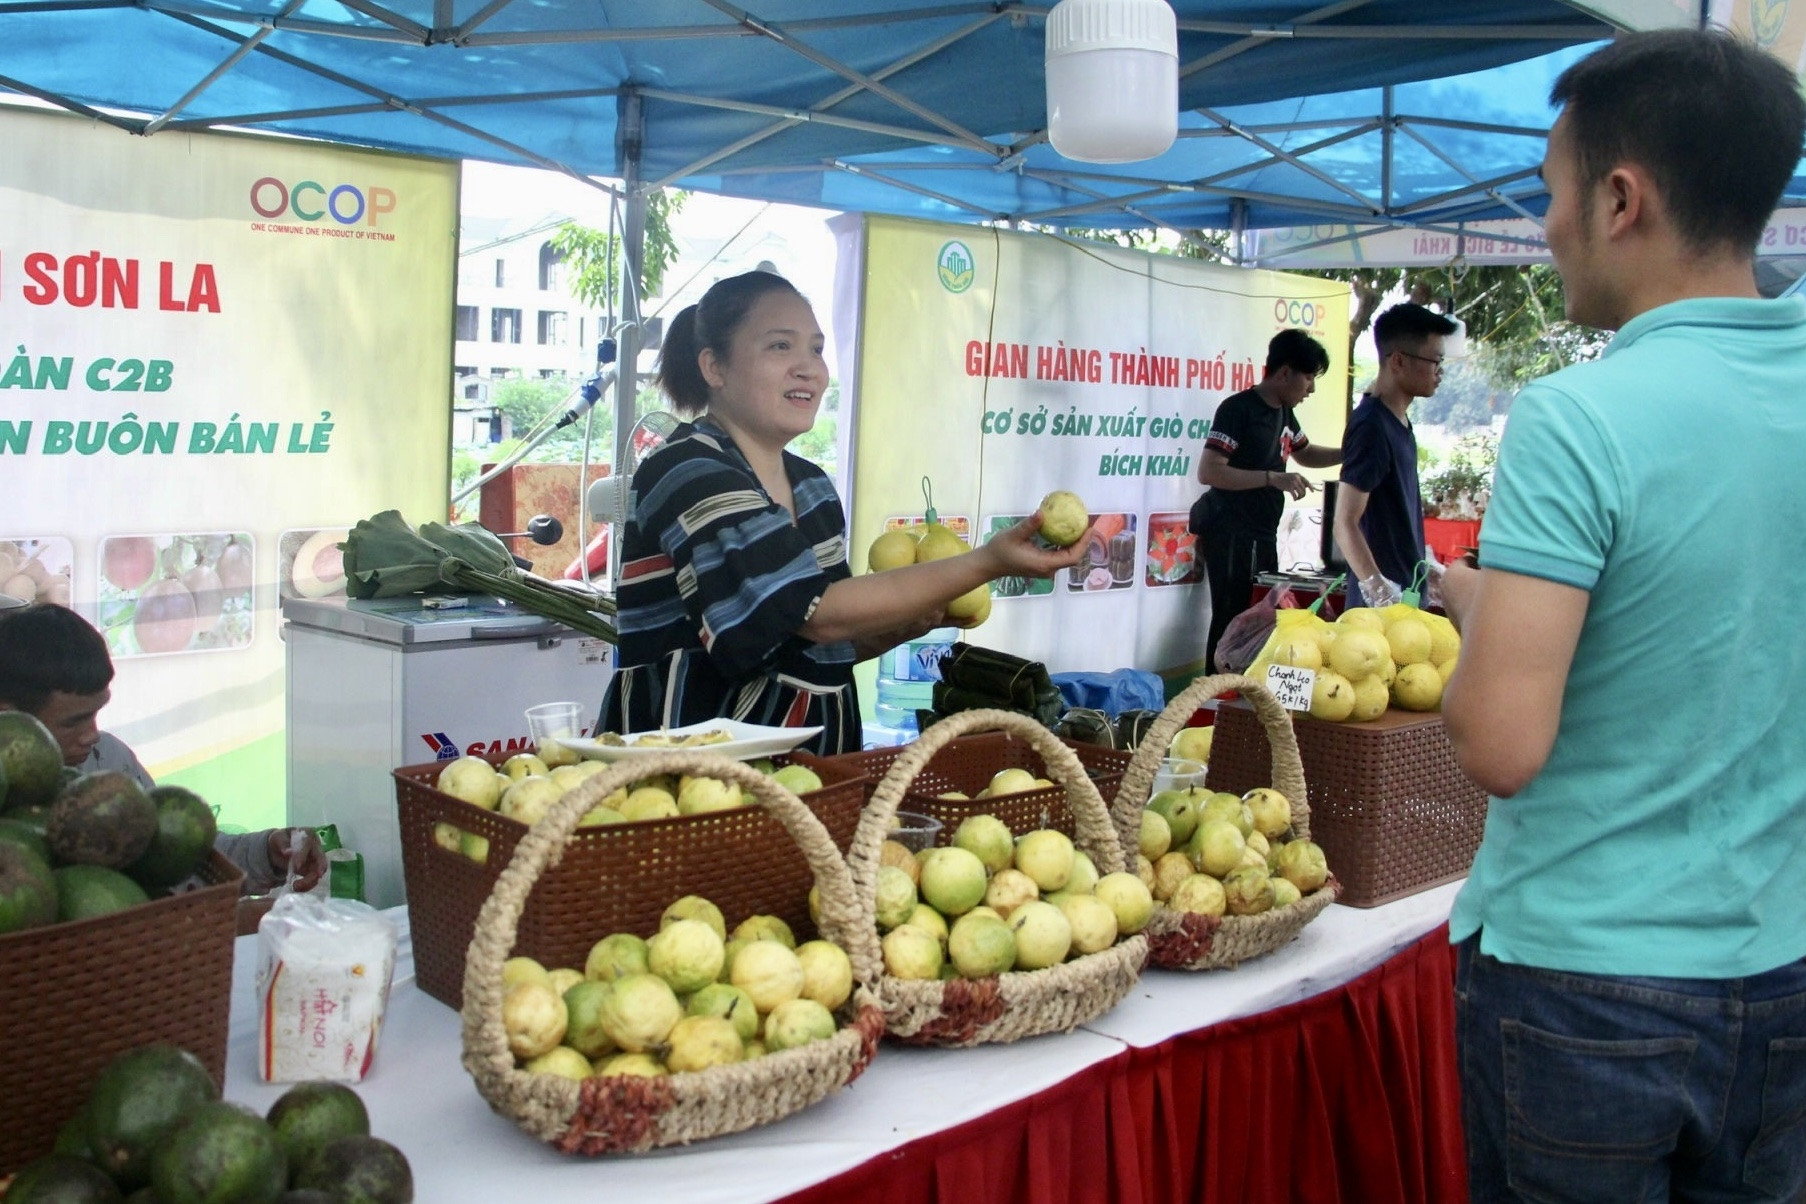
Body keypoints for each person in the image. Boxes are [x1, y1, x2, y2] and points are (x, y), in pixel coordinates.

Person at [1438, 29, 1806, 1204]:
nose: (1545, 227)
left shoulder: (1578, 420)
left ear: (1619, 196)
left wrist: (1481, 614)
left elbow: (1501, 744)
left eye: (1549, 193)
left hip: (1584, 992)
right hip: (1784, 969)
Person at [602, 269, 1090, 754]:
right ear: (714, 367)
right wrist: (989, 562)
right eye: (780, 347)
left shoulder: (812, 486)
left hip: (813, 769)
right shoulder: (687, 468)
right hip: (687, 777)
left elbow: (820, 647)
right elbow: (817, 615)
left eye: (815, 349)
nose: (808, 368)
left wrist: (903, 626)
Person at [0, 602, 326, 897]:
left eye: (98, 713)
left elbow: (177, 855)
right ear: (9, 717)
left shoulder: (110, 763)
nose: (92, 735)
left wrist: (268, 851)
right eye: (73, 722)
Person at [1193, 328, 1342, 672]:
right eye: (1308, 378)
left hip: (1263, 532)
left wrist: (1350, 452)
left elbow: (1305, 454)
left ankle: (1246, 696)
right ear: (1284, 372)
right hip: (1230, 532)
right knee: (1229, 617)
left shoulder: (1284, 412)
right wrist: (1272, 478)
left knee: (1258, 617)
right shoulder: (1237, 409)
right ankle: (1215, 700)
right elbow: (1210, 472)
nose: (1312, 388)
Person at [1333, 302, 1458, 608]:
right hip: (1380, 612)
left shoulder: (1397, 420)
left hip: (1407, 592)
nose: (1440, 373)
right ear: (1399, 361)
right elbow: (1344, 522)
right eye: (1435, 361)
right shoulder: (1372, 426)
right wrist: (1379, 590)